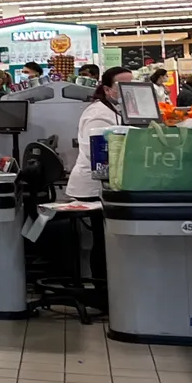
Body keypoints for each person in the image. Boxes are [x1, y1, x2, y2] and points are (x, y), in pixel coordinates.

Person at [65, 66, 132, 279]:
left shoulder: (117, 109)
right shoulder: (98, 114)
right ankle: (102, 289)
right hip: (92, 187)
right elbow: (96, 154)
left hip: (107, 182)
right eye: (122, 86)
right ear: (107, 89)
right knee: (103, 241)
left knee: (106, 240)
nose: (128, 90)